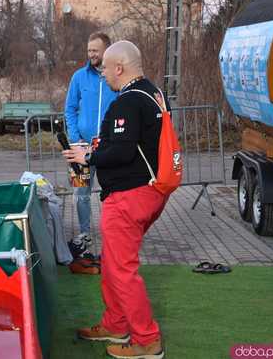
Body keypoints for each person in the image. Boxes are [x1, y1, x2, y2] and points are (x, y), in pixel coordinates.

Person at [63, 41, 167, 359]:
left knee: (121, 269)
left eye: (106, 68)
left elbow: (121, 152)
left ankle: (147, 339)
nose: (104, 74)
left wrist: (87, 155)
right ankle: (115, 323)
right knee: (112, 264)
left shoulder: (128, 102)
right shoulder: (153, 93)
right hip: (144, 191)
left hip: (129, 196)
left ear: (119, 68)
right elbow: (131, 146)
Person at [64, 32, 117, 246]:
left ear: (107, 51)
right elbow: (69, 108)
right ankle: (85, 232)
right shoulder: (79, 77)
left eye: (95, 50)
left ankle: (113, 232)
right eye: (89, 50)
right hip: (81, 148)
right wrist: (75, 139)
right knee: (80, 193)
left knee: (113, 193)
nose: (91, 54)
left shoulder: (115, 76)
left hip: (108, 148)